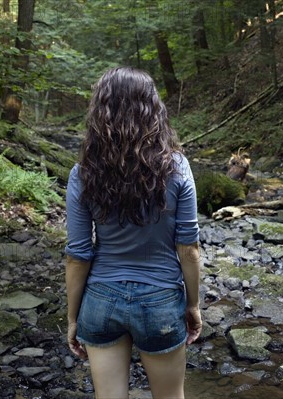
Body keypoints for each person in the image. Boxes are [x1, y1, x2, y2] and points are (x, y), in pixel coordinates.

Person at [64, 66, 202, 399]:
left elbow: (78, 255)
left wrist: (73, 318)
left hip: (100, 301)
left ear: (100, 112)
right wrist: (194, 305)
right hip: (161, 302)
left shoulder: (82, 174)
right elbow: (189, 248)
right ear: (153, 109)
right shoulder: (177, 167)